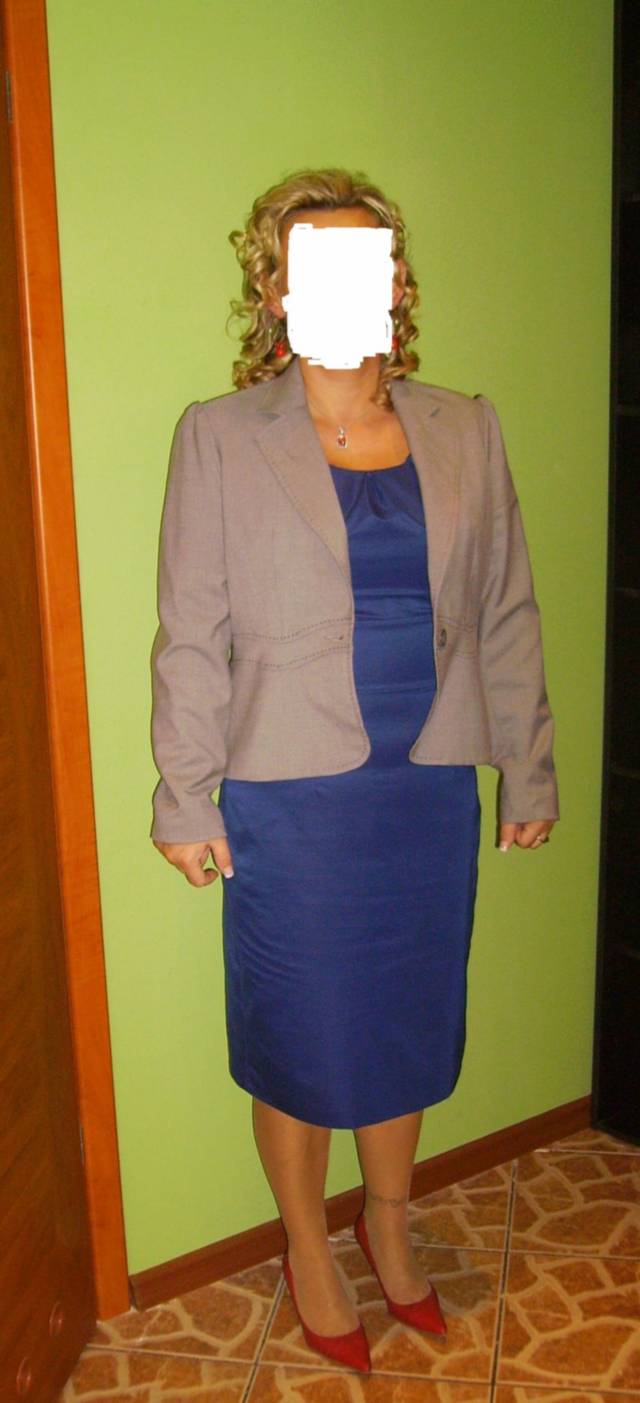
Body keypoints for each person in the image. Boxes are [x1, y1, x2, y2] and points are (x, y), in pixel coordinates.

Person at [150, 167, 558, 1373]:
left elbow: (507, 612)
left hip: (425, 784)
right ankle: (305, 1242)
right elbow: (191, 633)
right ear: (274, 290)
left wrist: (527, 770)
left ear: (397, 284)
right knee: (300, 1034)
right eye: (312, 263)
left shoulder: (465, 426)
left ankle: (387, 1219)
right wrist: (183, 794)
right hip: (292, 798)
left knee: (402, 1020)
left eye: (367, 261)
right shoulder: (221, 437)